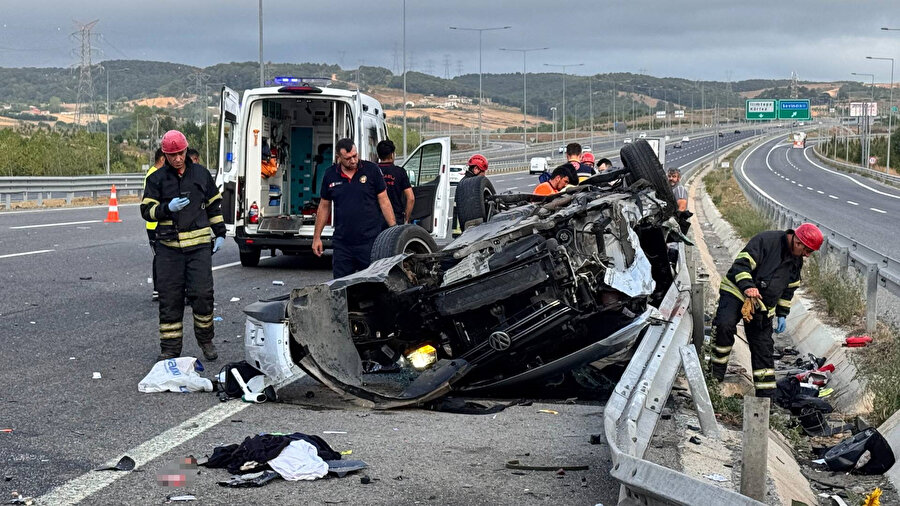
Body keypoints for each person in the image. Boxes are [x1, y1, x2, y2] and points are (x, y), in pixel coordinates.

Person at [709, 223, 823, 398]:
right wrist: (748, 287)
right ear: (798, 241)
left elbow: (788, 290)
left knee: (763, 349)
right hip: (737, 292)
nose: (807, 255)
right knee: (724, 326)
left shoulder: (795, 262)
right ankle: (714, 377)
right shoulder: (766, 241)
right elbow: (741, 265)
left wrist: (782, 314)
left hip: (762, 306)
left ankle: (766, 398)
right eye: (807, 250)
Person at [141, 130, 226, 362]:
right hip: (169, 249)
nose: (177, 158)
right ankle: (170, 348)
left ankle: (206, 340)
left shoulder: (201, 174)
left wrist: (220, 233)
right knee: (170, 299)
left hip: (198, 248)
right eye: (172, 155)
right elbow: (146, 210)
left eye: (180, 153)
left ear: (186, 150)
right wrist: (166, 208)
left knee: (202, 295)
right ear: (165, 156)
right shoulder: (156, 179)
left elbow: (214, 205)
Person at [312, 138, 397, 278]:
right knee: (341, 287)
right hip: (342, 243)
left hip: (370, 241)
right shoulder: (330, 174)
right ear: (338, 158)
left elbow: (384, 201)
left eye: (355, 156)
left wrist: (394, 230)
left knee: (373, 284)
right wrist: (316, 238)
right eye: (348, 158)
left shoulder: (372, 170)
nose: (353, 160)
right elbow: (324, 206)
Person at [144, 148, 166, 301]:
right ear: (163, 159)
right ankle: (158, 290)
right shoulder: (154, 175)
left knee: (160, 257)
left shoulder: (153, 172)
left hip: (154, 224)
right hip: (155, 224)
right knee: (160, 257)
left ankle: (159, 289)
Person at [376, 140, 415, 224]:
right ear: (392, 154)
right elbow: (411, 198)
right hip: (396, 218)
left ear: (378, 155)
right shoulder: (399, 172)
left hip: (376, 219)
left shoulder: (373, 171)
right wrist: (406, 218)